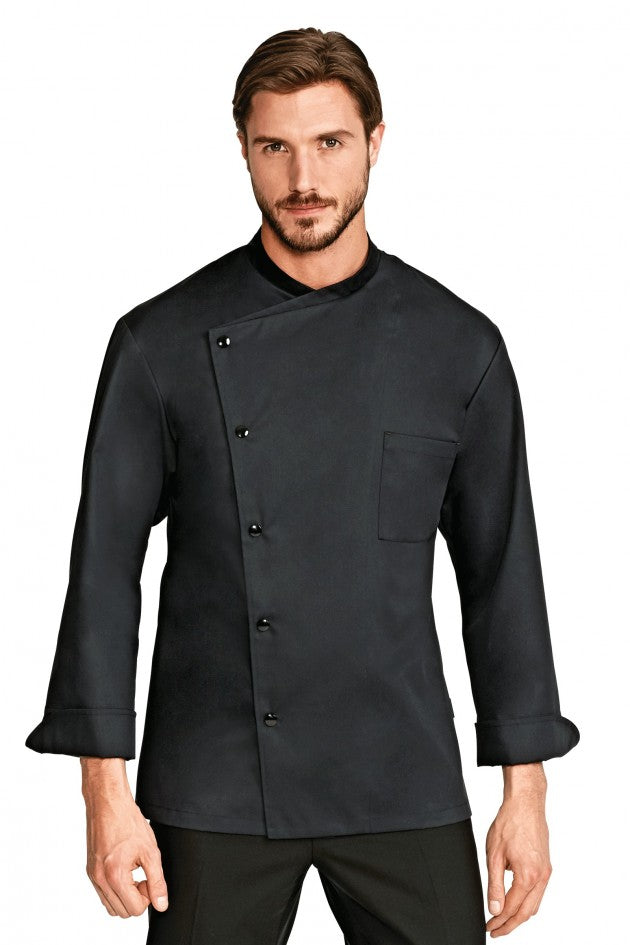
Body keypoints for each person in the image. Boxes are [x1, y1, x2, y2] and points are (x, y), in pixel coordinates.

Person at [25, 26, 580, 944]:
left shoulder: (458, 346)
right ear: (242, 149)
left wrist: (526, 793)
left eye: (329, 142)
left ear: (376, 141)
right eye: (274, 147)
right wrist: (104, 794)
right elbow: (103, 574)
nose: (303, 179)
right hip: (214, 779)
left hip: (400, 772)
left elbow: (502, 577)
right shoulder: (159, 342)